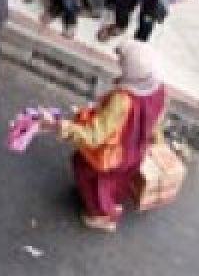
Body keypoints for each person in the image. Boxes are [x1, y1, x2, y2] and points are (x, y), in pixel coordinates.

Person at [38, 40, 166, 232]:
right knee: (118, 180)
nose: (120, 65)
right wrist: (157, 143)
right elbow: (155, 121)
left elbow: (94, 136)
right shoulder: (158, 89)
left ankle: (103, 216)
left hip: (112, 155)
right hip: (135, 149)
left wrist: (59, 126)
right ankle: (113, 202)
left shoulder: (122, 100)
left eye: (123, 63)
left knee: (89, 175)